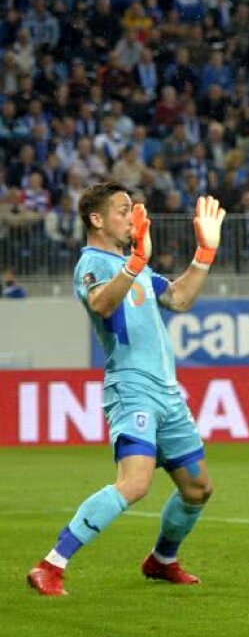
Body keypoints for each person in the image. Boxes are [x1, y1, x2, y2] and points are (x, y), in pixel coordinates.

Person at [27, 182, 226, 596]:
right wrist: (135, 262)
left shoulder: (135, 268)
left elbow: (179, 299)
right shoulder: (93, 263)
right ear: (96, 219)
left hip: (167, 392)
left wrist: (204, 253)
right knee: (134, 483)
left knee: (198, 488)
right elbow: (101, 304)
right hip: (131, 388)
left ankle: (162, 560)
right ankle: (51, 565)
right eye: (123, 210)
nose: (132, 218)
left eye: (134, 210)